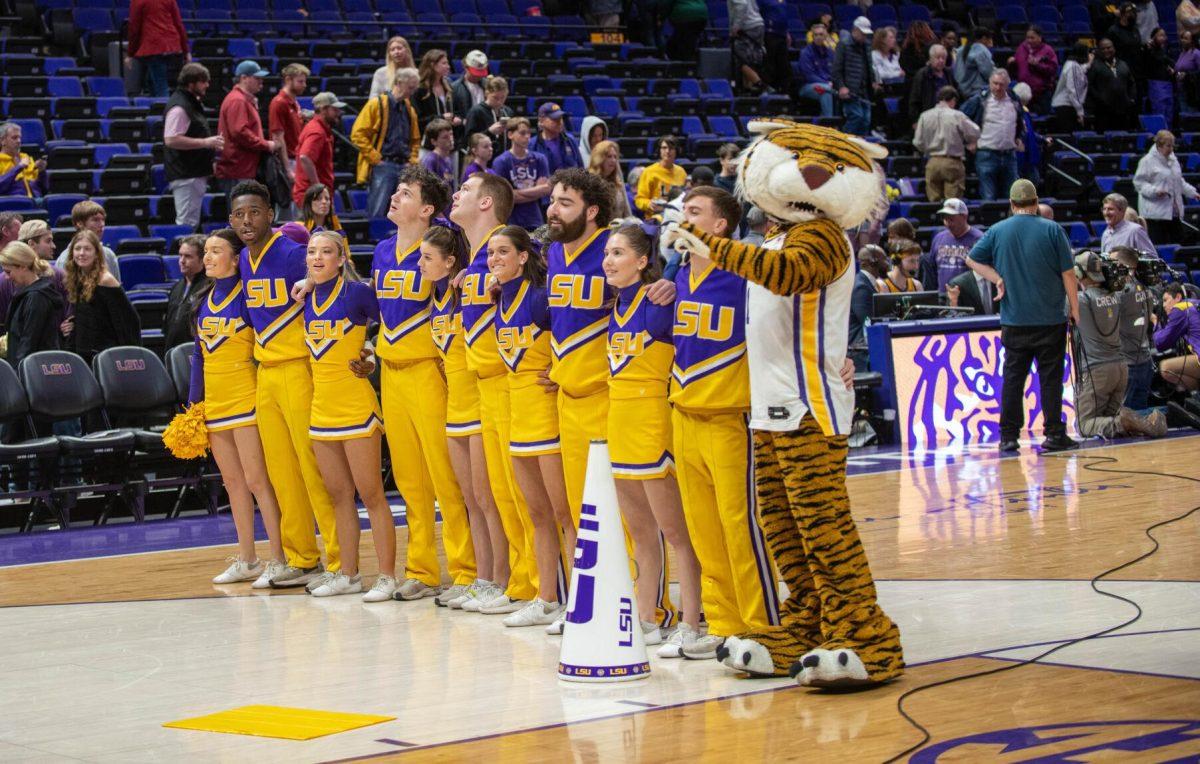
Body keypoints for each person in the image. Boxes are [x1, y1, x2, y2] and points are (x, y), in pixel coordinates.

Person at [542, 167, 679, 639]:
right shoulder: (554, 253)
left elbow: (658, 278)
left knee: (627, 515)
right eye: (553, 200)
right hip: (567, 397)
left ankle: (648, 608)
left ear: (592, 210)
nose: (553, 209)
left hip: (612, 396)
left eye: (564, 202)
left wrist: (673, 285)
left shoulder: (613, 247)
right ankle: (594, 600)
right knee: (578, 511)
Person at [350, 168, 477, 603]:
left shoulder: (444, 249)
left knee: (446, 479)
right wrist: (369, 349)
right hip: (391, 374)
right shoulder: (383, 250)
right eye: (396, 191)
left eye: (405, 194)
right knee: (409, 482)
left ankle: (466, 571)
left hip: (429, 372)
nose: (394, 197)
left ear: (426, 209)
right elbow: (382, 314)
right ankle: (420, 568)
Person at [667, 186, 778, 659]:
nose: (682, 217)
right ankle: (724, 619)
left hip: (731, 418)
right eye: (681, 210)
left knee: (741, 526)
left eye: (694, 212)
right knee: (704, 530)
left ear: (719, 227)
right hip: (683, 416)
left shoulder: (743, 279)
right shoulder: (674, 276)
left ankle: (763, 625)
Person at [228, 180, 339, 588]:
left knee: (312, 467)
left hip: (299, 368)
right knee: (280, 471)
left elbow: (334, 290)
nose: (247, 220)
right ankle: (300, 556)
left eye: (254, 211)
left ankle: (340, 560)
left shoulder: (295, 255)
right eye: (239, 214)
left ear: (270, 214)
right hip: (265, 373)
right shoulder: (242, 259)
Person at [602, 221, 703, 647]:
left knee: (679, 533)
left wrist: (674, 287)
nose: (608, 260)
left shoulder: (660, 302)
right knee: (640, 532)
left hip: (652, 421)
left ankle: (693, 623)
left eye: (619, 253)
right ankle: (648, 616)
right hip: (618, 424)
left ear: (643, 261)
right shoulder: (616, 305)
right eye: (607, 253)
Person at [449, 172, 539, 614]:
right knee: (492, 496)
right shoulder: (472, 263)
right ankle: (507, 580)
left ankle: (529, 583)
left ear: (487, 204)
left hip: (512, 384)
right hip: (480, 386)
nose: (455, 194)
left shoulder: (506, 262)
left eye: (465, 190)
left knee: (518, 496)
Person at [185, 229, 287, 587]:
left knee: (259, 480)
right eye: (207, 252)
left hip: (246, 398)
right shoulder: (202, 299)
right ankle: (247, 558)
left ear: (235, 258)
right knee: (232, 483)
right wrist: (193, 405)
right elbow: (198, 355)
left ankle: (279, 557)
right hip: (215, 401)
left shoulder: (248, 298)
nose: (209, 257)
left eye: (216, 251)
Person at [296, 231, 393, 599]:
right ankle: (349, 574)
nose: (317, 258)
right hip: (322, 408)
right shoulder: (304, 296)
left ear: (341, 259)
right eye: (312, 252)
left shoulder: (357, 293)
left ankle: (386, 575)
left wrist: (370, 356)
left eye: (326, 252)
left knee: (372, 495)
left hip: (356, 404)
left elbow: (389, 322)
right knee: (338, 496)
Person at [418, 225, 507, 608]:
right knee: (470, 499)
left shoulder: (466, 291)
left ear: (450, 261)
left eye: (426, 258)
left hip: (478, 402)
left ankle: (502, 579)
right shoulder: (437, 296)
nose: (419, 264)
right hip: (454, 405)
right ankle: (481, 576)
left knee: (489, 499)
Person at [486, 225, 572, 628]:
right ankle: (547, 597)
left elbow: (570, 334)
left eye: (503, 252)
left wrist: (562, 371)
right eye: (490, 254)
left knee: (564, 512)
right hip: (517, 414)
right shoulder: (500, 297)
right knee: (536, 513)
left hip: (546, 414)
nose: (495, 259)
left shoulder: (539, 298)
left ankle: (578, 603)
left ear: (524, 256)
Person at [967, 179, 1079, 453]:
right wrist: (1075, 310)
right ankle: (1053, 434)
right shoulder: (1053, 230)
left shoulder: (997, 230)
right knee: (1050, 378)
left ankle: (1008, 437)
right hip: (1050, 318)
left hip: (1014, 320)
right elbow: (1068, 274)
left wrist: (997, 279)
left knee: (1013, 378)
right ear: (1036, 201)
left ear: (1011, 203)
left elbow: (971, 259)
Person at [1071, 251, 1167, 438]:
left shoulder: (1080, 301)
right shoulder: (1117, 296)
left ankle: (1125, 420)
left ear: (1078, 273)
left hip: (1096, 371)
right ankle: (1139, 420)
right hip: (1120, 368)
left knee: (1084, 425)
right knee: (1110, 420)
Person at [61, 230, 140, 365]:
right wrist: (72, 324)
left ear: (97, 254)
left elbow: (129, 320)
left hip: (106, 355)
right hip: (85, 350)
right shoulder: (77, 277)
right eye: (77, 249)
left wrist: (128, 358)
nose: (81, 253)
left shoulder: (106, 280)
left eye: (87, 249)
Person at [351, 69, 420, 221]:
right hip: (384, 165)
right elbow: (358, 134)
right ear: (399, 83)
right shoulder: (376, 104)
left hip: (404, 166)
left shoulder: (409, 109)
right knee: (378, 210)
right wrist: (375, 158)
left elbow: (415, 139)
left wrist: (412, 160)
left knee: (402, 212)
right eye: (410, 87)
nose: (413, 92)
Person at [163, 64, 222, 230]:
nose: (207, 85)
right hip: (186, 174)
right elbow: (171, 139)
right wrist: (206, 142)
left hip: (194, 172)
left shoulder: (191, 103)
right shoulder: (180, 107)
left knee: (191, 222)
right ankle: (182, 256)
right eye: (203, 81)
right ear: (191, 83)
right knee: (186, 225)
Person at [216, 61, 278, 201]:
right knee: (241, 216)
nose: (261, 81)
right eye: (256, 78)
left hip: (243, 168)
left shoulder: (243, 99)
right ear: (243, 78)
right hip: (237, 168)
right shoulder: (238, 100)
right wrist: (265, 145)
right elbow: (240, 132)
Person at [0, 241, 64, 371]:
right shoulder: (28, 293)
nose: (6, 277)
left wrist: (17, 376)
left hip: (34, 372)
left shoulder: (36, 297)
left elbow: (28, 343)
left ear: (23, 266)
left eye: (8, 272)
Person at [1109, 246, 1158, 410]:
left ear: (1122, 265)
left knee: (1126, 418)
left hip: (1128, 363)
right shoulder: (1146, 288)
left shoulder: (1121, 293)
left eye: (1112, 262)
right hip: (1145, 359)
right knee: (1140, 414)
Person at [962, 70, 1022, 201]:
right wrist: (969, 141)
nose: (998, 87)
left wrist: (1019, 137)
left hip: (1009, 155)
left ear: (1007, 85)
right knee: (988, 196)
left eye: (1001, 84)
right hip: (986, 154)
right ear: (989, 83)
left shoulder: (1014, 100)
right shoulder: (980, 99)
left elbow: (1020, 121)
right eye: (995, 83)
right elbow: (961, 118)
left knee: (1012, 197)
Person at [913, 86, 980, 203]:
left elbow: (918, 142)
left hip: (932, 161)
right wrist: (970, 142)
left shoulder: (924, 116)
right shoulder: (957, 115)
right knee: (952, 204)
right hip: (952, 162)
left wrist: (928, 149)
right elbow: (975, 131)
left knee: (933, 203)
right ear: (953, 100)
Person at [1134, 130, 1199, 246]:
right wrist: (1154, 191)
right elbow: (1139, 183)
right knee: (1159, 247)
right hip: (1155, 215)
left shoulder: (1173, 160)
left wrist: (1193, 193)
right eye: (1168, 146)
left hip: (1172, 213)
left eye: (1173, 146)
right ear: (1159, 145)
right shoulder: (1147, 161)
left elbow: (1179, 181)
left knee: (1178, 244)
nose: (1171, 149)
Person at [491, 118, 551, 231]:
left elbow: (546, 189)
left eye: (529, 133)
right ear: (510, 135)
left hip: (535, 219)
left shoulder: (539, 159)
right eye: (523, 133)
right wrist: (537, 190)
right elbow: (504, 197)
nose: (527, 136)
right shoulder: (501, 161)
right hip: (511, 220)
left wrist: (516, 193)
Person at [292, 92, 345, 210]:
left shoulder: (319, 127)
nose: (339, 113)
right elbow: (305, 157)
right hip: (312, 198)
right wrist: (319, 188)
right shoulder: (317, 131)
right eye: (335, 110)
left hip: (316, 197)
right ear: (324, 110)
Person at [126, 0, 188, 98]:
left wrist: (130, 53)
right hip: (172, 45)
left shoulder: (138, 1)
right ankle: (154, 107)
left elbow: (134, 28)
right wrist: (186, 50)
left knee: (160, 84)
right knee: (151, 80)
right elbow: (178, 24)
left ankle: (164, 110)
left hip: (153, 46)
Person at [921, 198, 984, 292]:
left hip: (968, 297)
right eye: (945, 218)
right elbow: (932, 270)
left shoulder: (979, 239)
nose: (948, 223)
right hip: (942, 296)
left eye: (951, 219)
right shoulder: (938, 238)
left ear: (964, 216)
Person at [54, 202, 120, 284]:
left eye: (103, 220)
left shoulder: (109, 255)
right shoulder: (65, 259)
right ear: (80, 224)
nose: (102, 224)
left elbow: (117, 292)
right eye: (95, 220)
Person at [833, 17, 878, 136]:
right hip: (851, 89)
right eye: (862, 33)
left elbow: (869, 65)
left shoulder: (867, 45)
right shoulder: (844, 44)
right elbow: (837, 69)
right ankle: (843, 143)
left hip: (865, 89)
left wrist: (873, 81)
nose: (864, 36)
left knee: (866, 120)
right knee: (856, 117)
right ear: (855, 30)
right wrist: (841, 86)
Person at [163, 234, 209, 351]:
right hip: (173, 354)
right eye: (180, 255)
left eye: (188, 256)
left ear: (202, 259)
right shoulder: (176, 287)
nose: (182, 261)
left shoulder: (209, 288)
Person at [1152, 282, 1200, 392]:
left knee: (1166, 368)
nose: (1163, 305)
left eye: (1166, 300)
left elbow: (1161, 343)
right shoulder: (1195, 303)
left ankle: (1196, 393)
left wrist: (1155, 321)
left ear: (1178, 297)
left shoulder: (1180, 308)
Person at [268, 63, 309, 180]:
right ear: (288, 80)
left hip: (297, 157)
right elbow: (278, 137)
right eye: (300, 82)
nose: (304, 85)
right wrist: (287, 169)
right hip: (288, 161)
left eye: (305, 82)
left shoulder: (294, 102)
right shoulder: (279, 103)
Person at [849, 244, 886, 368]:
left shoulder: (868, 283)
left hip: (864, 349)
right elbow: (867, 320)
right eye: (884, 260)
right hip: (860, 353)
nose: (887, 264)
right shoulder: (861, 287)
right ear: (872, 262)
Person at [1087, 39, 1137, 132]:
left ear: (1114, 48)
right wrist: (1100, 99)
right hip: (1103, 111)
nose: (1106, 50)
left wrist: (1131, 98)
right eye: (1103, 49)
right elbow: (1090, 86)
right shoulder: (1094, 65)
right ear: (1098, 51)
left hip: (1123, 110)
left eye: (1108, 47)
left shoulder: (1123, 64)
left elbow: (1131, 83)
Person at [634, 136, 687, 217]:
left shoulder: (681, 172)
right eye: (664, 148)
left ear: (677, 151)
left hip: (677, 217)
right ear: (659, 150)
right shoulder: (649, 172)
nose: (668, 151)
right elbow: (639, 200)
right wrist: (649, 204)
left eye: (671, 148)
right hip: (656, 219)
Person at [907, 45, 959, 128]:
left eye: (943, 58)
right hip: (929, 116)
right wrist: (915, 121)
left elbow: (957, 94)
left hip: (949, 115)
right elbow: (914, 100)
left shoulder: (948, 73)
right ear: (930, 59)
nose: (941, 61)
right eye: (938, 58)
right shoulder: (922, 75)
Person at [1011, 26, 1058, 114]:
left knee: (1044, 118)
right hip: (1024, 94)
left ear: (1040, 38)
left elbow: (1053, 69)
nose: (1029, 40)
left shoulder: (1048, 50)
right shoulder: (1021, 48)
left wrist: (1038, 65)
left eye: (1032, 38)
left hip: (1042, 93)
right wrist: (1011, 63)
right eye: (1028, 37)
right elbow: (1016, 67)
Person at [463, 76, 515, 157]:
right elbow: (469, 140)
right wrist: (489, 132)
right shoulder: (476, 111)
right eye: (495, 98)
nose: (499, 101)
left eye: (503, 97)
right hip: (482, 159)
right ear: (487, 93)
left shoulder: (508, 111)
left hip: (503, 158)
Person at [414, 49, 461, 135]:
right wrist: (441, 117)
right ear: (433, 65)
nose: (448, 66)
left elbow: (456, 110)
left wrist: (455, 118)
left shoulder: (448, 86)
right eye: (444, 63)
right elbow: (417, 120)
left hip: (448, 137)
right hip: (428, 137)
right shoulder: (419, 90)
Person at [529, 103, 583, 175]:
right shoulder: (532, 144)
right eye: (554, 119)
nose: (559, 122)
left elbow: (580, 168)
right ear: (541, 121)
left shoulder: (570, 140)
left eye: (560, 118)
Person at [728, 0, 769, 93]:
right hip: (758, 24)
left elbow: (742, 5)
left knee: (740, 60)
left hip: (747, 27)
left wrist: (736, 26)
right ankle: (748, 90)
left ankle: (761, 85)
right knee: (751, 60)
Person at [1051, 42, 1091, 133]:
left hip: (1069, 106)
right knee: (1069, 136)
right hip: (1066, 106)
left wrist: (1089, 64)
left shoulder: (1073, 65)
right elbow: (1073, 91)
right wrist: (1080, 111)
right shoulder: (1072, 66)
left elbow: (1081, 70)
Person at [0, 122, 47, 199]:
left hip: (36, 202)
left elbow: (44, 189)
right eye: (14, 138)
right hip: (13, 204)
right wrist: (19, 167)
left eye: (20, 137)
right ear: (2, 141)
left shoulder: (26, 158)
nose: (19, 141)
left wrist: (42, 172)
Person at [586, 139, 631, 219]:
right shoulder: (589, 184)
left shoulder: (617, 183)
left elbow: (626, 212)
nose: (613, 160)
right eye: (609, 156)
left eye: (615, 157)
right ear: (599, 158)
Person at [798, 23, 836, 117]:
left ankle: (831, 122)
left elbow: (834, 72)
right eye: (816, 34)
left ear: (825, 36)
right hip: (808, 86)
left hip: (828, 86)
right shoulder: (806, 53)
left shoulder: (830, 53)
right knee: (826, 91)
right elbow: (809, 76)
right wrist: (827, 84)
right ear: (812, 36)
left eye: (821, 34)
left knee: (829, 92)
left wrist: (832, 82)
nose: (818, 37)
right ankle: (829, 123)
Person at [1144, 28, 1177, 125]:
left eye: (1164, 35)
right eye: (1160, 35)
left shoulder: (1165, 50)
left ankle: (1169, 137)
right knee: (1159, 111)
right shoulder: (1148, 50)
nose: (1164, 38)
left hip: (1168, 84)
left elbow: (1169, 62)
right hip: (1156, 84)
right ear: (1153, 37)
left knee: (1169, 111)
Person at [451, 50, 490, 124]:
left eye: (481, 72)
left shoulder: (488, 85)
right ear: (466, 68)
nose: (479, 76)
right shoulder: (454, 88)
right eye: (476, 72)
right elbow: (452, 114)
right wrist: (462, 121)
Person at [955, 27, 994, 97]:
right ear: (984, 38)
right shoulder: (981, 49)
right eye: (990, 39)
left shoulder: (960, 49)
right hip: (977, 92)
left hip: (960, 91)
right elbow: (988, 73)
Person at [421, 119, 458, 190]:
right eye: (445, 137)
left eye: (451, 134)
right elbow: (428, 188)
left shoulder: (448, 159)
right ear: (434, 141)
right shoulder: (430, 160)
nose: (451, 139)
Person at [1107, 3, 1143, 72]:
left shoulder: (1135, 30)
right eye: (1131, 12)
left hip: (1136, 69)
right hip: (1121, 69)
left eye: (1135, 12)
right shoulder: (1113, 31)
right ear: (1122, 14)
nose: (1134, 15)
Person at [1177, 30, 1200, 114]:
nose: (1183, 40)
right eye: (1182, 38)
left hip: (1192, 91)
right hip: (1181, 90)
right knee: (1184, 116)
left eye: (1186, 38)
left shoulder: (1196, 54)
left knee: (1191, 117)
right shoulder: (1182, 53)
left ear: (1192, 41)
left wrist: (1187, 74)